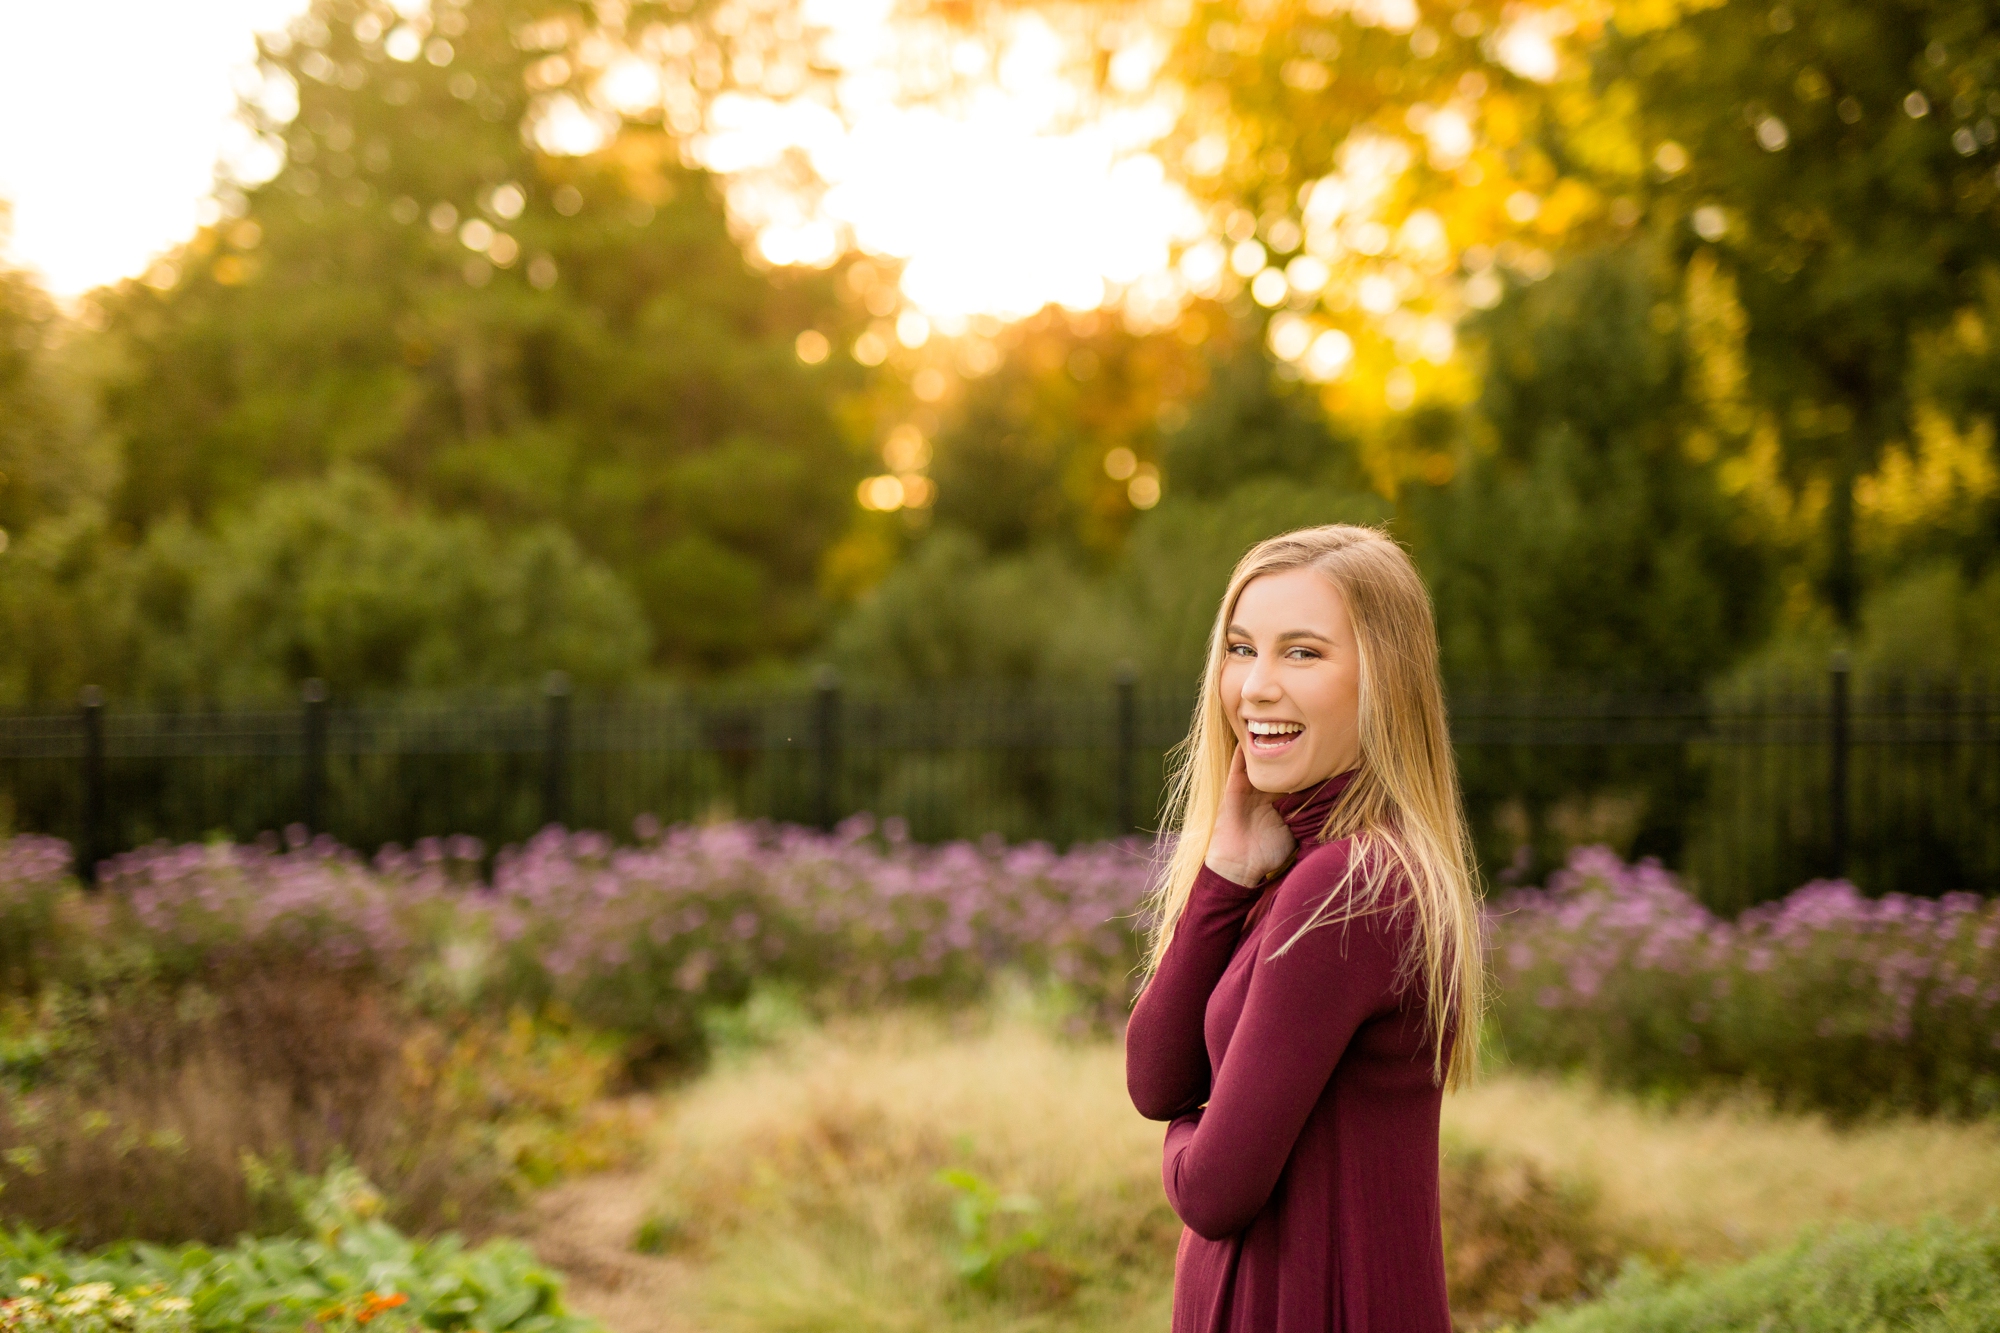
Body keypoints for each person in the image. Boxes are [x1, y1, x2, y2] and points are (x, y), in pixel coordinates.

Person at [1125, 523, 1485, 1332]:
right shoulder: (1305, 865)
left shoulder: (1350, 889)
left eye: (1302, 652)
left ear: (1384, 682)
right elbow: (1154, 1072)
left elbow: (1212, 1190)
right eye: (1242, 648)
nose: (1255, 686)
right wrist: (1222, 878)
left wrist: (1198, 1122)